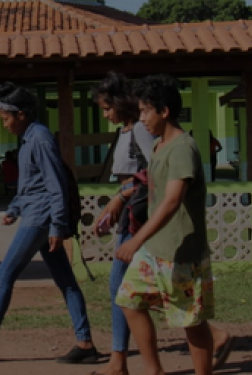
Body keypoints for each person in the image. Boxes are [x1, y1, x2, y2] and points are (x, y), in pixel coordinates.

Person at [0, 82, 99, 364]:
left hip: (41, 219)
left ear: (20, 114)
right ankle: (85, 344)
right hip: (36, 213)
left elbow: (55, 185)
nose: (4, 124)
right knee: (66, 281)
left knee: (4, 274)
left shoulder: (40, 138)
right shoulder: (30, 139)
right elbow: (31, 184)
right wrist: (15, 208)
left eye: (6, 118)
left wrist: (56, 225)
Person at [114, 74, 228, 375]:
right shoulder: (158, 147)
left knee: (190, 322)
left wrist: (135, 240)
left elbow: (172, 200)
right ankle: (155, 371)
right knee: (129, 300)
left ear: (164, 111)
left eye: (145, 111)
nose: (141, 118)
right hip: (155, 250)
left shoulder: (182, 148)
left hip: (181, 252)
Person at [90, 72, 155, 375]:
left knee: (120, 286)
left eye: (107, 108)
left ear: (118, 103)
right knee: (139, 288)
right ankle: (119, 359)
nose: (105, 114)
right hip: (128, 214)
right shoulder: (127, 131)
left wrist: (120, 198)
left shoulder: (140, 130)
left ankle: (119, 361)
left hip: (137, 217)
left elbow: (153, 176)